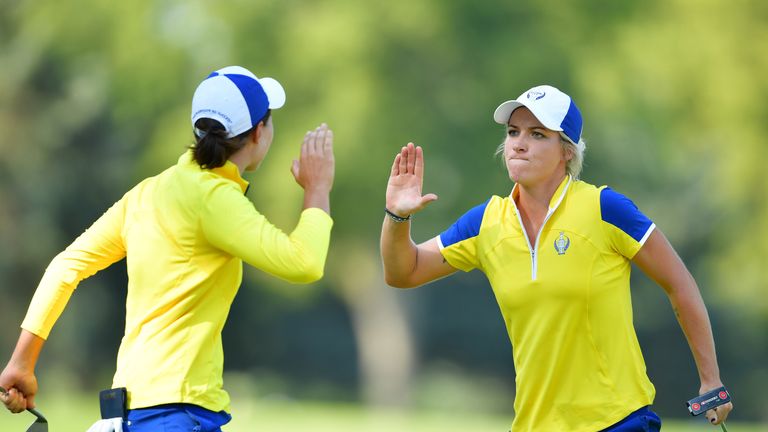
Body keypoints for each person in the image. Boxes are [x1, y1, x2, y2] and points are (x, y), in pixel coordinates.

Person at [0, 65, 335, 431]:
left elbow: (66, 267)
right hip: (178, 413)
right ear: (259, 132)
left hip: (129, 412)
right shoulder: (216, 198)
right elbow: (305, 263)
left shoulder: (148, 193)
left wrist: (22, 362)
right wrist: (317, 190)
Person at [380, 85, 733, 431]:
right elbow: (403, 272)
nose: (518, 143)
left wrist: (710, 381)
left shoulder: (603, 208)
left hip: (618, 420)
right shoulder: (486, 222)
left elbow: (680, 284)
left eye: (537, 134)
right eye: (513, 132)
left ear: (566, 151)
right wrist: (397, 216)